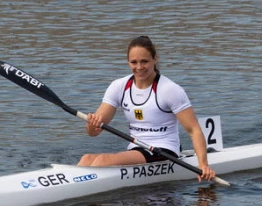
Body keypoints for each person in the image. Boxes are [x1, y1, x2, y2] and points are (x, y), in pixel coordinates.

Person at [78, 35, 217, 182]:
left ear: (155, 59)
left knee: (102, 161)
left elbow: (194, 130)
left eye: (144, 61)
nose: (139, 67)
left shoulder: (169, 90)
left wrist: (203, 165)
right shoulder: (119, 87)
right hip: (136, 148)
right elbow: (92, 133)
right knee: (86, 159)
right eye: (134, 62)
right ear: (128, 62)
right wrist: (91, 124)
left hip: (164, 150)